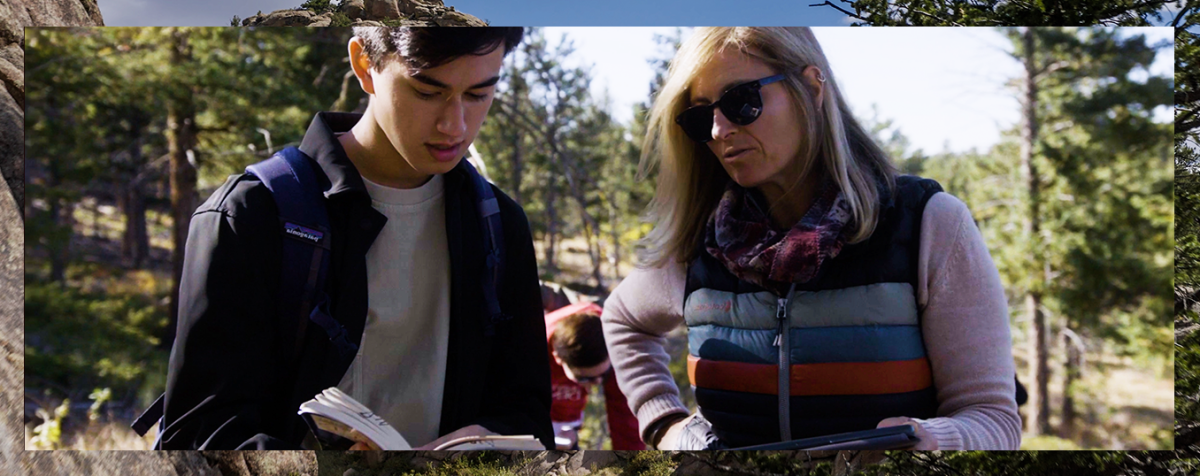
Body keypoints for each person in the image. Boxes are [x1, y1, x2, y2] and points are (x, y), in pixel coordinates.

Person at [601, 27, 1020, 451]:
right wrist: (665, 424)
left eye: (740, 101)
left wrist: (933, 440)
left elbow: (994, 419)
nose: (717, 130)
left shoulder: (929, 224)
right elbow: (622, 320)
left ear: (811, 87)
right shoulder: (699, 242)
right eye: (699, 116)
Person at [157, 27, 553, 450]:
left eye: (478, 95)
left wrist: (489, 442)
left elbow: (527, 417)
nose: (454, 125)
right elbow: (197, 437)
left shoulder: (499, 224)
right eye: (426, 91)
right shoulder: (251, 215)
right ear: (365, 64)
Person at [544, 302, 645, 450]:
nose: (595, 384)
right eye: (584, 378)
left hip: (568, 427)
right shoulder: (531, 348)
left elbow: (626, 421)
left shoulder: (620, 349)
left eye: (603, 375)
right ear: (558, 358)